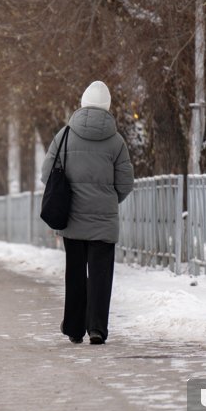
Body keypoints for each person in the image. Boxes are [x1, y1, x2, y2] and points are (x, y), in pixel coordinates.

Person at [40, 80, 134, 345]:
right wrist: (109, 200)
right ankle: (97, 329)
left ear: (82, 104)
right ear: (107, 107)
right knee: (101, 275)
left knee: (75, 273)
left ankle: (74, 327)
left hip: (72, 218)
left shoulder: (64, 135)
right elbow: (126, 183)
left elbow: (46, 174)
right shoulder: (117, 142)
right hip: (104, 221)